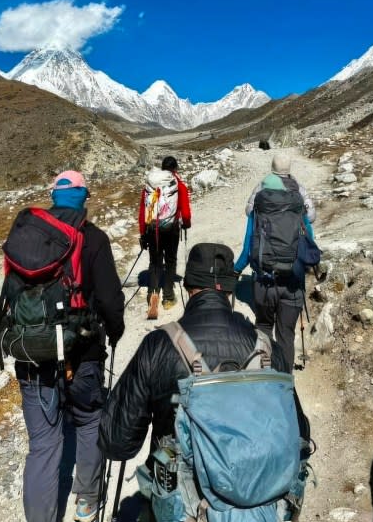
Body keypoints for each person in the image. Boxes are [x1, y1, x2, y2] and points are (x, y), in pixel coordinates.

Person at [99, 242, 309, 521]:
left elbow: (117, 441)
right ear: (230, 291)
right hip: (262, 503)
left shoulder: (158, 345)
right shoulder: (267, 348)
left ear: (188, 288)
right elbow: (300, 432)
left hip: (185, 503)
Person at [16, 171, 125, 522]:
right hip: (82, 354)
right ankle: (87, 502)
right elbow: (109, 299)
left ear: (54, 197)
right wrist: (115, 330)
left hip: (31, 354)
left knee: (44, 445)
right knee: (90, 418)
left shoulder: (27, 236)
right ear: (83, 198)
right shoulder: (93, 239)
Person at [234, 152, 316, 371]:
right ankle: (286, 381)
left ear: (271, 167)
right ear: (289, 168)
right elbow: (309, 234)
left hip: (264, 279)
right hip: (293, 280)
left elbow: (249, 240)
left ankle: (263, 374)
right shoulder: (299, 194)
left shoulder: (260, 195)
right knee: (286, 334)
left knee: (263, 328)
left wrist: (236, 269)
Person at [139, 155, 191, 319]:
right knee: (170, 261)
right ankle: (168, 297)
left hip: (152, 229)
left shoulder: (150, 186)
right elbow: (185, 211)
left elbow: (143, 211)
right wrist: (187, 223)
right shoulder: (178, 185)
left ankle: (152, 296)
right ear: (175, 169)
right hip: (171, 229)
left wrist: (143, 233)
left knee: (154, 262)